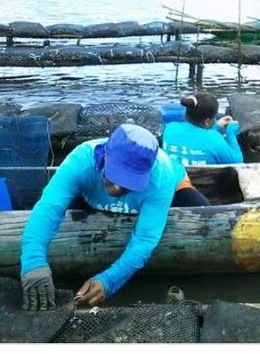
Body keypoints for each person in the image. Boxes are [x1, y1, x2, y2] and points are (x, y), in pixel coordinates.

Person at [20, 123, 209, 311]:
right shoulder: (81, 161)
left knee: (205, 217)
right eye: (115, 176)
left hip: (171, 190)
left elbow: (144, 239)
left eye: (129, 181)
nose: (118, 187)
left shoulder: (162, 175)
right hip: (90, 197)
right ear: (106, 155)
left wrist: (109, 280)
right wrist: (33, 262)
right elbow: (48, 209)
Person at [162, 93, 243, 165]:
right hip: (204, 181)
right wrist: (231, 134)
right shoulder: (214, 139)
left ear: (186, 113)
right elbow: (237, 163)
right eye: (214, 119)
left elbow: (196, 139)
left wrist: (216, 127)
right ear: (207, 121)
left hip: (175, 181)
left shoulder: (170, 128)